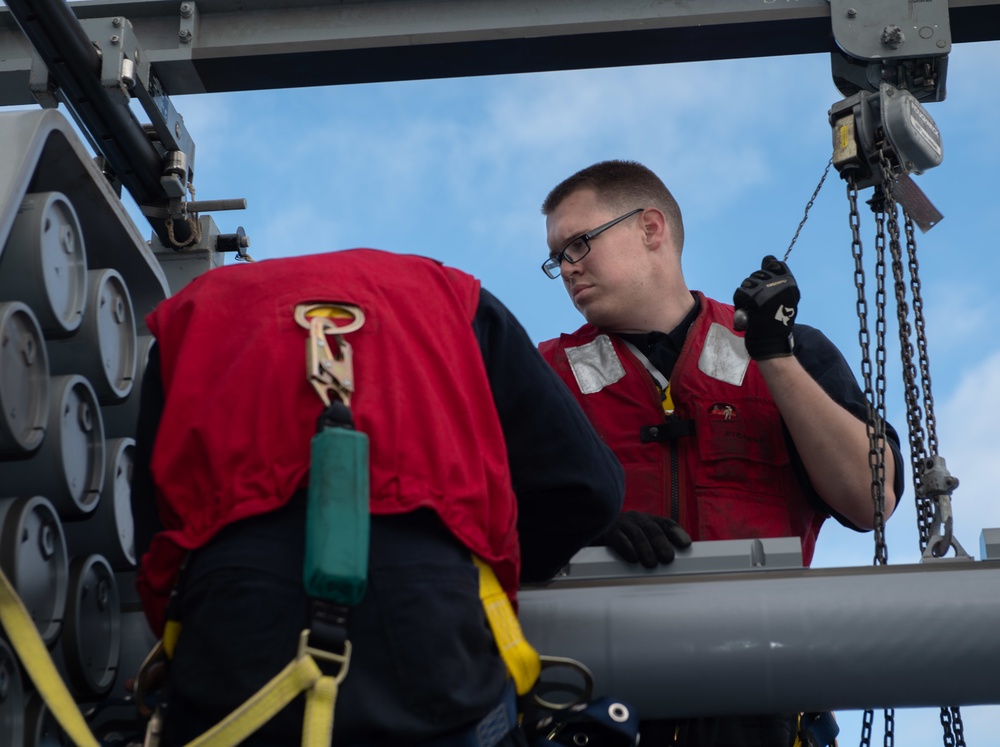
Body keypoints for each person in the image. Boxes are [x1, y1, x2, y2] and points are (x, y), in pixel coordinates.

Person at [130, 248, 625, 747]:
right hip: (430, 617)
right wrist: (486, 560)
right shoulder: (456, 300)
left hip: (234, 626)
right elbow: (586, 489)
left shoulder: (191, 315)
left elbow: (156, 545)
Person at [537, 160, 904, 746]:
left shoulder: (787, 350)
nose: (567, 267)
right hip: (596, 709)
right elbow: (486, 524)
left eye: (579, 243)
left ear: (652, 228)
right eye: (557, 256)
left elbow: (872, 500)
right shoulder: (541, 376)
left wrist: (774, 356)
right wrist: (583, 532)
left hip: (767, 707)